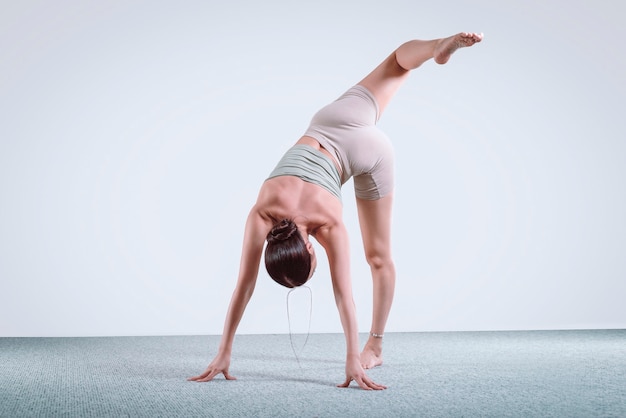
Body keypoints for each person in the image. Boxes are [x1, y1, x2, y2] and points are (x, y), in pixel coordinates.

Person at [189, 32, 483, 390]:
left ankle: (375, 346)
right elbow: (244, 286)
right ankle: (434, 49)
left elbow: (342, 294)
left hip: (369, 155)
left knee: (379, 259)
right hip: (332, 122)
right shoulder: (262, 213)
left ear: (310, 248)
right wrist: (223, 348)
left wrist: (352, 360)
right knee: (396, 64)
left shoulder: (327, 226)